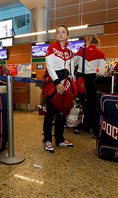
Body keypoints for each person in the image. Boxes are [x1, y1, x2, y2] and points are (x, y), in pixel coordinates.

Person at [43, 24, 75, 153]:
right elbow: (50, 67)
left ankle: (60, 139)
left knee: (62, 113)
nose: (61, 34)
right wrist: (57, 82)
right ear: (56, 35)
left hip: (66, 83)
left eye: (63, 32)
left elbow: (72, 70)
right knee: (50, 114)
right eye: (58, 32)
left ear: (67, 35)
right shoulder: (51, 48)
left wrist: (71, 85)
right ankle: (47, 140)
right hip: (53, 83)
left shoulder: (70, 52)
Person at [74, 36, 106, 137]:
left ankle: (78, 126)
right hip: (91, 80)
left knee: (80, 103)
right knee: (93, 105)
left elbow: (72, 64)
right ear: (97, 44)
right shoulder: (101, 54)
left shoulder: (80, 51)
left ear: (88, 43)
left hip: (80, 80)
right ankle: (94, 130)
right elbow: (101, 72)